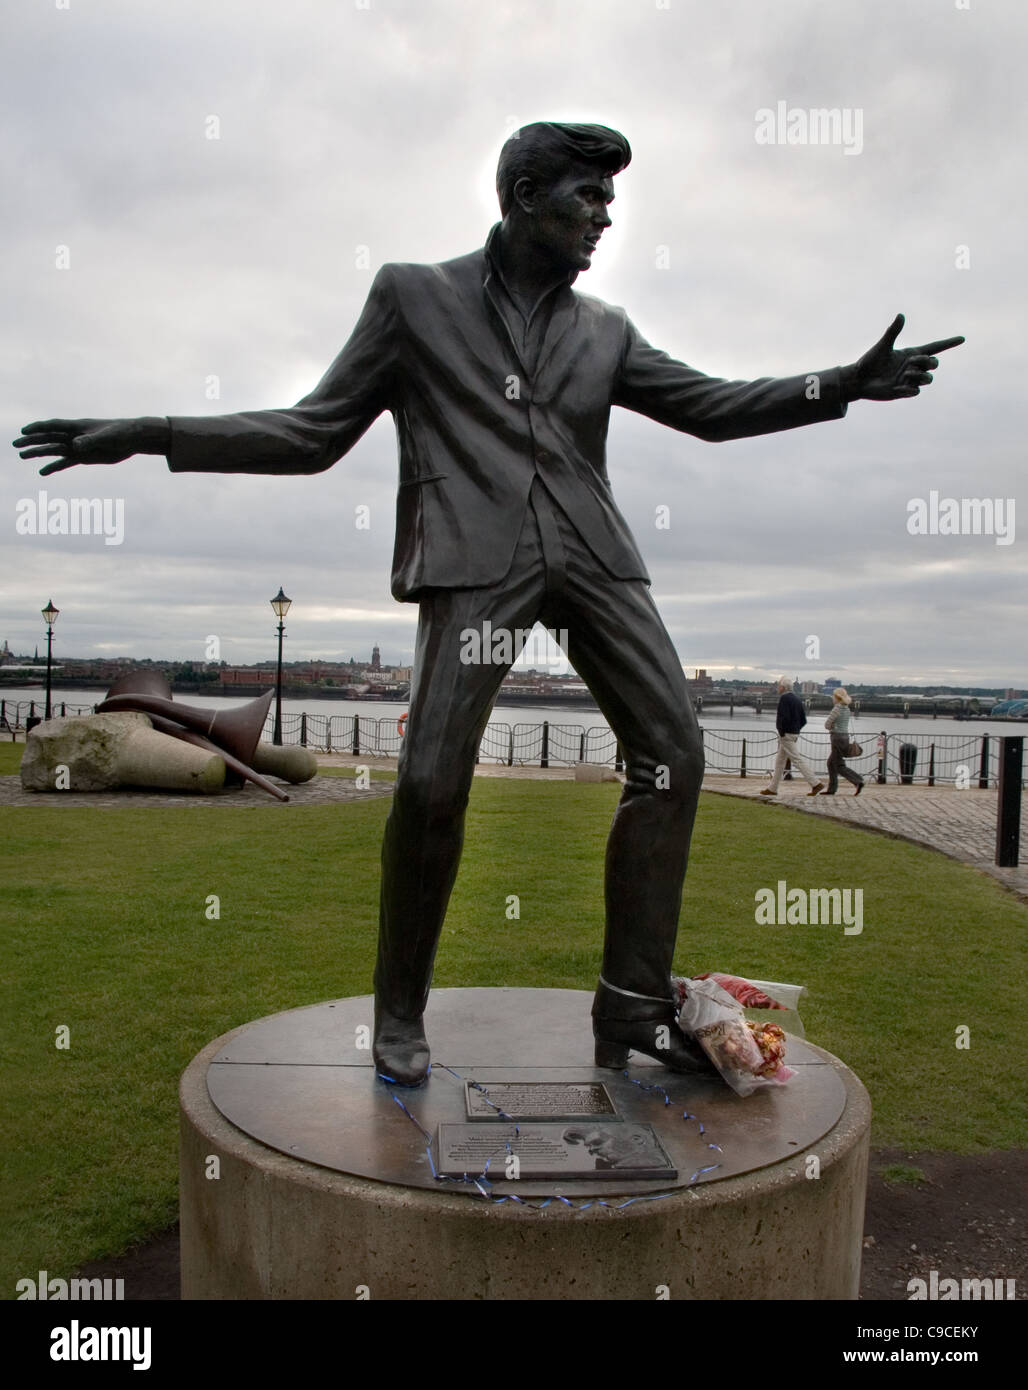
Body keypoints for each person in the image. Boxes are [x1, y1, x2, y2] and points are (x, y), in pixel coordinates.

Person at [14, 121, 961, 1086]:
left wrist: (840, 383)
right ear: (520, 198)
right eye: (585, 199)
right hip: (475, 558)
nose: (603, 218)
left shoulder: (607, 331)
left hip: (592, 556)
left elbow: (710, 407)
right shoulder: (413, 298)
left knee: (673, 752)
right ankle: (398, 1011)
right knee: (429, 784)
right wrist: (148, 433)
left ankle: (633, 1004)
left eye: (610, 202)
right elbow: (312, 431)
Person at [760, 677, 824, 797]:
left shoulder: (784, 698)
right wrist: (796, 730)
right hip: (793, 733)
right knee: (780, 762)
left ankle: (816, 783)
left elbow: (783, 717)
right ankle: (772, 788)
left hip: (786, 735)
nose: (778, 688)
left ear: (783, 687)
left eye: (779, 686)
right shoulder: (796, 699)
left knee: (796, 760)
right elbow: (803, 720)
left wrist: (782, 731)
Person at [824, 688, 864, 795]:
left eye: (833, 696)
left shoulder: (836, 709)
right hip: (845, 737)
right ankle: (831, 789)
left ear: (837, 698)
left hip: (836, 737)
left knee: (838, 765)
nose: (832, 698)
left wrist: (832, 726)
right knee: (831, 763)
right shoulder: (847, 709)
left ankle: (858, 780)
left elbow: (827, 725)